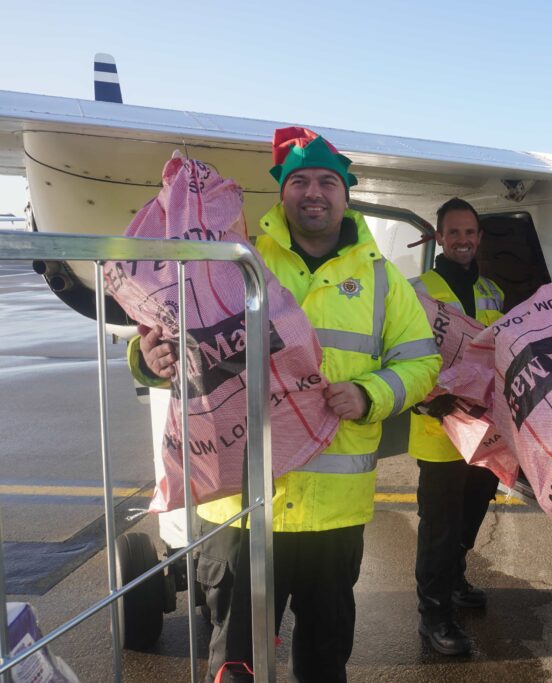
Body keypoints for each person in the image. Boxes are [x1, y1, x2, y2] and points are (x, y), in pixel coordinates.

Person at [131, 127, 441, 682]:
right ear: (282, 192)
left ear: (346, 194)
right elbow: (169, 326)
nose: (313, 192)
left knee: (323, 661)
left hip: (333, 513)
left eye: (327, 181)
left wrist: (370, 393)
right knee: (236, 664)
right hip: (241, 508)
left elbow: (422, 363)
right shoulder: (234, 255)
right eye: (300, 181)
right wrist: (147, 358)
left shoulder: (382, 279)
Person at [407, 198, 505, 655]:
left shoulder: (492, 292)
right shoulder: (417, 290)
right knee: (439, 527)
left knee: (472, 512)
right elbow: (400, 352)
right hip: (439, 430)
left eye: (470, 232)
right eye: (454, 233)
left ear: (479, 238)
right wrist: (424, 398)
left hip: (485, 430)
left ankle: (455, 577)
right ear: (439, 238)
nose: (462, 240)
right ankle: (434, 614)